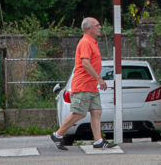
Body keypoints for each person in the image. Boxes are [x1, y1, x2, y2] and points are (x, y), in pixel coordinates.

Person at [49, 17, 116, 149]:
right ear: (88, 28)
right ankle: (58, 134)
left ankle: (98, 141)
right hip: (83, 85)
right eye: (97, 25)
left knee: (96, 111)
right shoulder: (85, 42)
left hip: (91, 86)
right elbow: (85, 63)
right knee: (79, 113)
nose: (100, 27)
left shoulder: (92, 42)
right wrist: (99, 78)